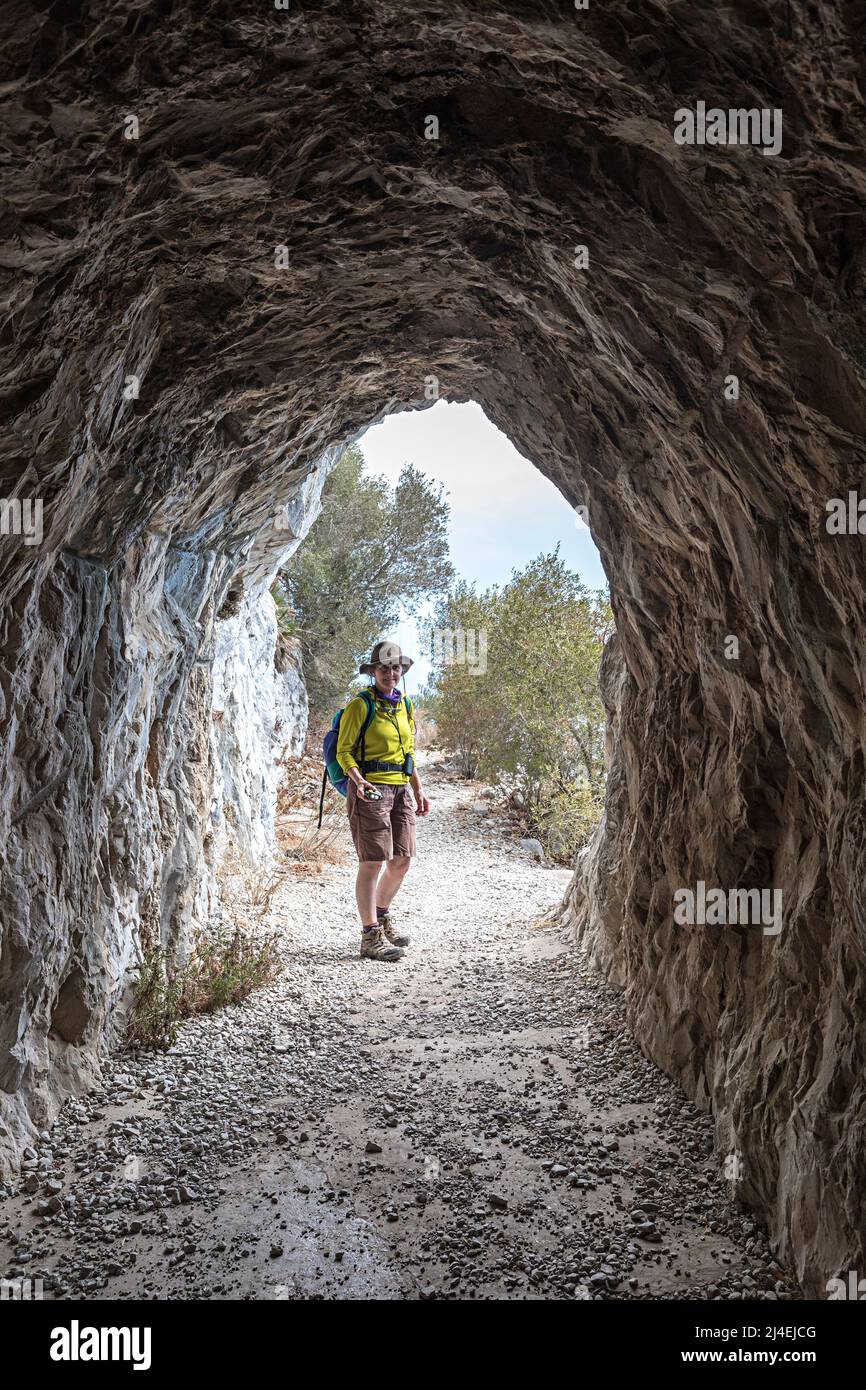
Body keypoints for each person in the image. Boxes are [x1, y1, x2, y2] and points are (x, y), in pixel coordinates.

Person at [336, 640, 430, 962]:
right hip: (370, 789)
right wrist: (357, 779)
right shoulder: (360, 706)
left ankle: (381, 914)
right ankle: (369, 936)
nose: (391, 673)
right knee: (373, 862)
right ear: (373, 671)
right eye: (384, 668)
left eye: (395, 668)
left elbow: (409, 753)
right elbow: (344, 750)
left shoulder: (404, 705)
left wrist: (418, 788)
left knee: (401, 860)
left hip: (401, 788)